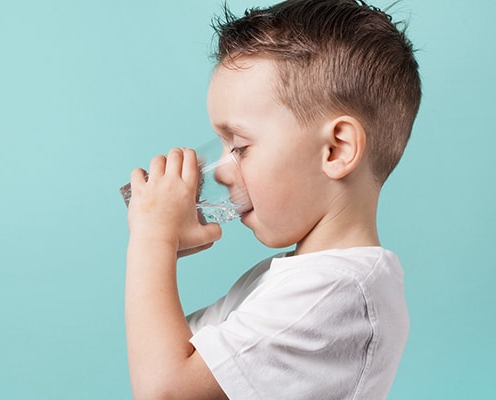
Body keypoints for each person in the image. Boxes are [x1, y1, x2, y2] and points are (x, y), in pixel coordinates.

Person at [123, 0, 421, 399]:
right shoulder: (297, 279)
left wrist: (153, 241)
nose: (223, 169)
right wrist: (164, 246)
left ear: (335, 149)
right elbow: (164, 353)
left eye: (240, 147)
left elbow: (167, 389)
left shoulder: (334, 291)